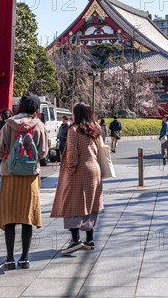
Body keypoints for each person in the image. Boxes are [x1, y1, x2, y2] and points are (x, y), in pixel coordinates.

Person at [0, 92, 48, 270]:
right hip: (30, 177)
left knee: (9, 217)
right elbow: (43, 152)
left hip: (9, 175)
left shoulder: (8, 125)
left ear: (20, 107)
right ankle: (24, 258)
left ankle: (9, 259)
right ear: (37, 109)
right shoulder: (39, 126)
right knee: (27, 218)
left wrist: (8, 158)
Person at [51, 102, 103, 254]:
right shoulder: (95, 129)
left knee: (72, 203)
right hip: (94, 170)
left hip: (79, 170)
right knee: (91, 204)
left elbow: (72, 154)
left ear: (76, 114)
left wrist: (69, 170)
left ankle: (75, 240)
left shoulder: (73, 130)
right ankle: (90, 239)